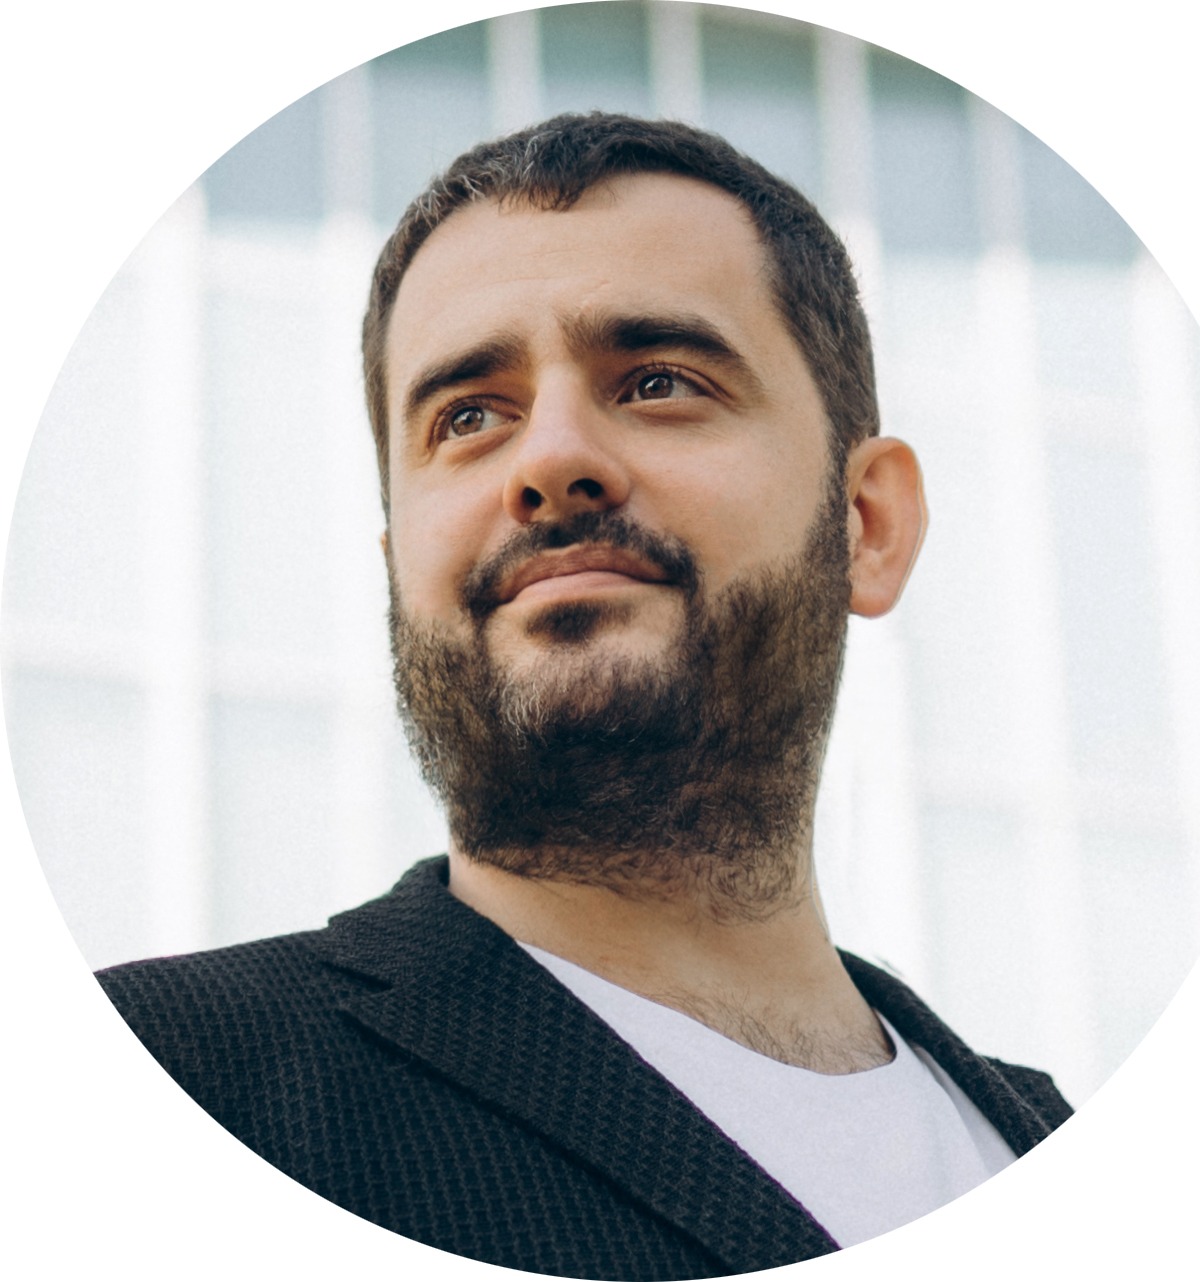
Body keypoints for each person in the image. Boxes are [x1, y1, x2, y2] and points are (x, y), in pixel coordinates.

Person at [97, 113, 1072, 1278]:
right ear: (398, 560)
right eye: (468, 416)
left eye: (657, 383)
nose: (551, 460)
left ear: (864, 526)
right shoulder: (150, 1087)